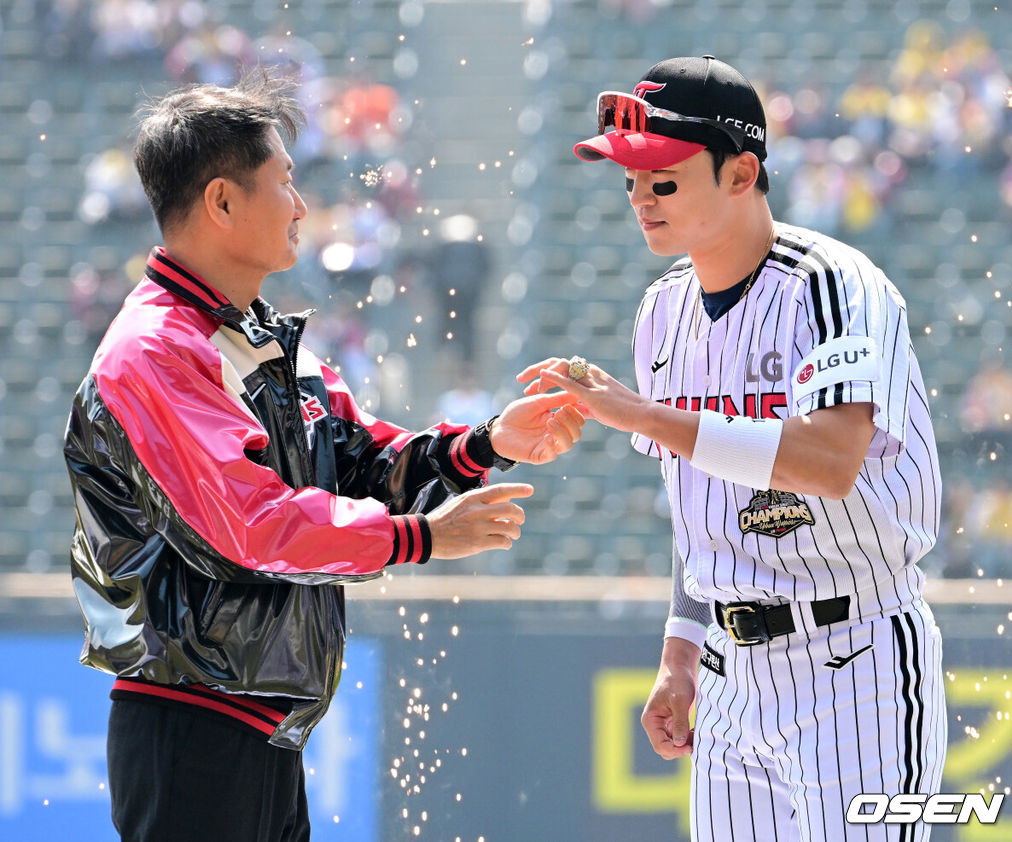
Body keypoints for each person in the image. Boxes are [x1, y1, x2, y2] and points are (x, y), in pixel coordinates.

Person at [63, 70, 584, 842]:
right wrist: (429, 539)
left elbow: (369, 461)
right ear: (222, 202)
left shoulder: (259, 335)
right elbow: (254, 526)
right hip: (191, 725)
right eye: (285, 183)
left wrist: (489, 442)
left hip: (253, 725)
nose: (302, 207)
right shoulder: (155, 351)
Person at [520, 56, 947, 840]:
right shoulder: (662, 311)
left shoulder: (834, 286)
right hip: (726, 676)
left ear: (742, 172)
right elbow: (700, 511)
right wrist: (680, 651)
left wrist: (645, 415)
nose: (641, 199)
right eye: (630, 181)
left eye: (664, 179)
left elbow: (828, 462)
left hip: (856, 664)